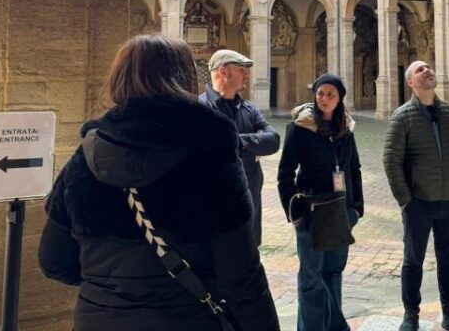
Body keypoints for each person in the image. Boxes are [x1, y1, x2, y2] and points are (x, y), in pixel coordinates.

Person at [38, 35, 280, 331]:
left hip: (99, 319)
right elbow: (240, 273)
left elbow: (53, 260)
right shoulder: (210, 145)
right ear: (184, 77)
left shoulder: (88, 152)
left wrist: (110, 286)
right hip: (188, 319)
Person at [383, 61, 449, 331]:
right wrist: (406, 201)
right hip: (418, 204)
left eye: (429, 68)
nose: (428, 70)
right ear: (410, 82)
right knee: (413, 261)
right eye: (421, 69)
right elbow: (391, 160)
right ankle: (411, 315)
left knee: (448, 260)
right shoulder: (402, 116)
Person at [277, 73, 363, 331]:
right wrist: (294, 213)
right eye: (320, 93)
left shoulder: (346, 129)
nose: (324, 99)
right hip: (311, 211)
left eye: (330, 94)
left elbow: (354, 168)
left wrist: (357, 208)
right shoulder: (299, 128)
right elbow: (285, 174)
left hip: (341, 209)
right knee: (311, 278)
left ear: (339, 99)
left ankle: (333, 326)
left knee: (333, 272)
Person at [200, 49, 280, 246]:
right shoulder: (199, 109)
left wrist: (236, 141)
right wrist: (253, 145)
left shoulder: (249, 109)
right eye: (242, 69)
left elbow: (273, 140)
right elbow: (205, 149)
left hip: (249, 201)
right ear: (223, 72)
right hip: (214, 209)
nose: (247, 74)